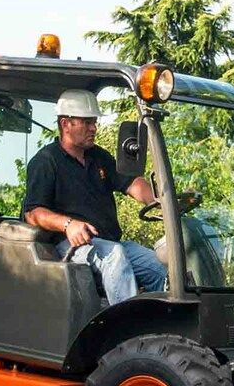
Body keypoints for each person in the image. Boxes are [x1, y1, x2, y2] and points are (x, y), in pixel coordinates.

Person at [22, 89, 165, 303]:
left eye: (94, 122)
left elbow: (132, 183)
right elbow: (33, 213)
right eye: (87, 122)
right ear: (66, 123)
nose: (93, 128)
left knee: (160, 267)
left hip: (110, 242)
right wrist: (68, 224)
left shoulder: (99, 157)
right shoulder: (46, 161)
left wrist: (160, 200)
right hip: (71, 246)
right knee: (114, 257)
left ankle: (165, 328)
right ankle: (125, 329)